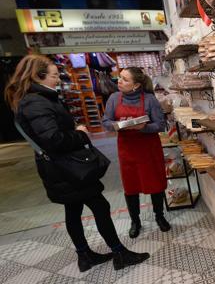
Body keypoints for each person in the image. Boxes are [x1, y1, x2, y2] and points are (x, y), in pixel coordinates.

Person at [5, 54, 149, 271]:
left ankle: (85, 255)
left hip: (59, 168)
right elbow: (53, 139)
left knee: (72, 210)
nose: (58, 79)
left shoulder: (34, 99)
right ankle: (119, 252)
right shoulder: (36, 102)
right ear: (38, 76)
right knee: (100, 206)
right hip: (68, 168)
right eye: (54, 75)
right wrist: (79, 133)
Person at [103, 67, 171, 238]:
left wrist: (144, 127)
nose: (119, 81)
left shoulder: (149, 100)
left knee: (155, 184)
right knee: (131, 186)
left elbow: (161, 125)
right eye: (120, 77)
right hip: (127, 149)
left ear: (136, 85)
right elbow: (105, 122)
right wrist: (117, 125)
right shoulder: (113, 98)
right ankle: (135, 221)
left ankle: (159, 216)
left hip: (148, 149)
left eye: (125, 79)